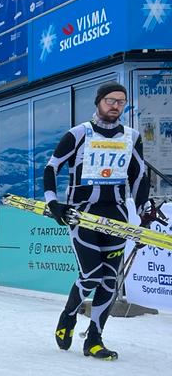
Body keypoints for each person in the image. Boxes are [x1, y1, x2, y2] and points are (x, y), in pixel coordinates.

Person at [44, 82, 149, 360]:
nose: (115, 106)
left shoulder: (131, 136)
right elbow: (51, 167)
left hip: (116, 215)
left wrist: (142, 213)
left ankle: (94, 339)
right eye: (110, 100)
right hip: (83, 213)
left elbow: (139, 177)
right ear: (99, 102)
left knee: (110, 280)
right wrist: (53, 202)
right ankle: (68, 317)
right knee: (91, 275)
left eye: (121, 102)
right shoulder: (79, 134)